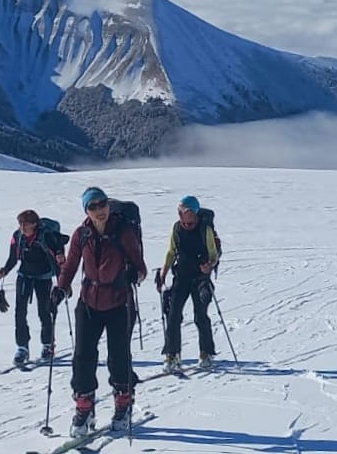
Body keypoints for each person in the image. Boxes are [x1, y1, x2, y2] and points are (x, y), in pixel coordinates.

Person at [52, 186, 146, 435]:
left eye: (101, 204)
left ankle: (123, 404)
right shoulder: (81, 235)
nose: (99, 210)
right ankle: (84, 407)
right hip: (88, 302)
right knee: (82, 357)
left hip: (119, 302)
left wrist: (133, 274)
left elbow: (141, 267)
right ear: (86, 210)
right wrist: (60, 289)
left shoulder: (124, 232)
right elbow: (70, 266)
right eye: (92, 206)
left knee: (118, 357)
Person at [155, 195, 220, 373]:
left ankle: (205, 353)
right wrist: (164, 272)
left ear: (193, 212)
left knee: (200, 315)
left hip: (200, 278)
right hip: (181, 277)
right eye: (180, 210)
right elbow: (171, 251)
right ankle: (172, 355)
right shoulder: (177, 228)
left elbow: (213, 253)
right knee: (173, 315)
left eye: (183, 210)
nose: (180, 213)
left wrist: (210, 265)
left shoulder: (204, 229)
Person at [0, 209, 60, 367]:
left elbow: (56, 258)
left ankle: (47, 344)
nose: (22, 227)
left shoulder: (45, 236)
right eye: (20, 223)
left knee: (44, 311)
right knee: (20, 311)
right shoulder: (17, 237)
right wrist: (5, 270)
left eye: (25, 224)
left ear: (34, 224)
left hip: (43, 276)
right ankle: (22, 347)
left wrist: (62, 281)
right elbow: (13, 257)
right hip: (24, 275)